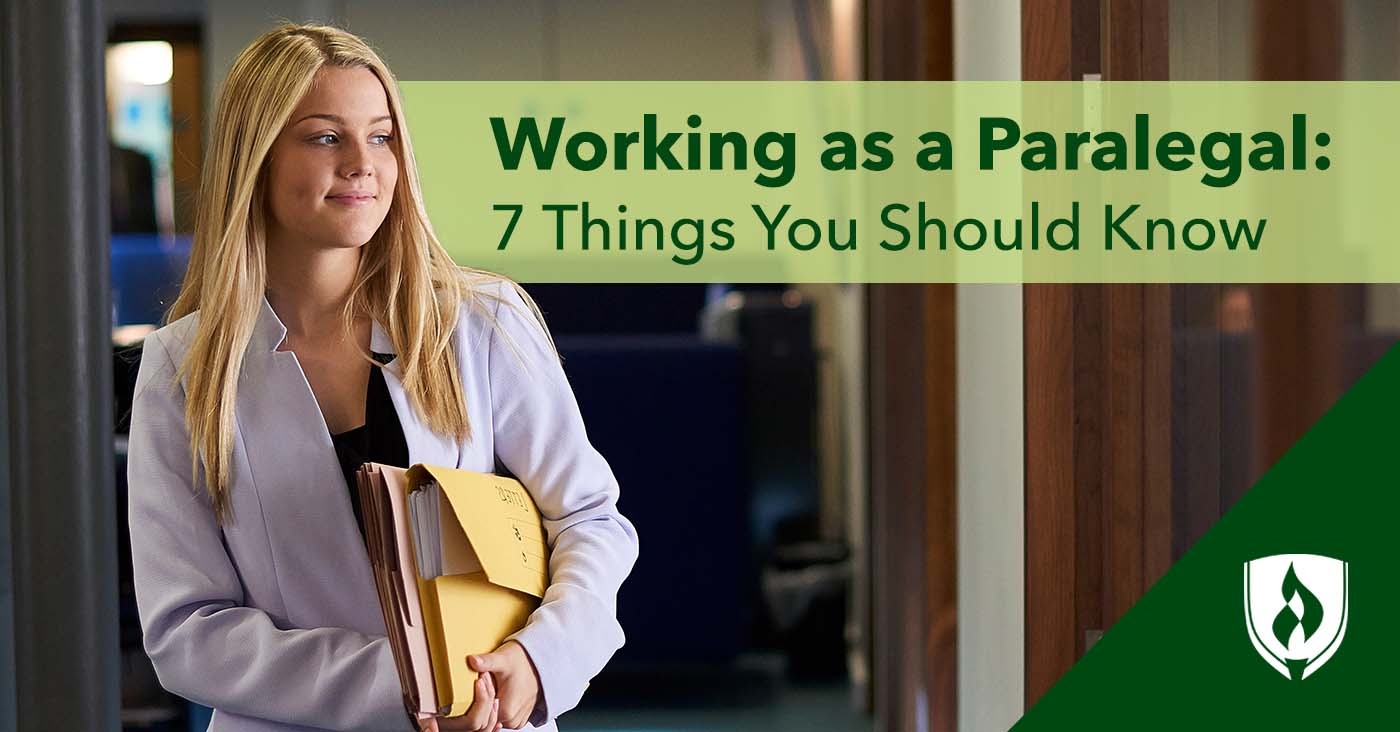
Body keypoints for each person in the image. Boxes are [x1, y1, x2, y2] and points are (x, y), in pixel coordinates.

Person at [126, 23, 638, 732]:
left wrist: (536, 658)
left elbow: (589, 519)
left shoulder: (480, 320)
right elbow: (187, 631)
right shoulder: (185, 370)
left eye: (382, 136)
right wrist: (414, 688)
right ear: (257, 158)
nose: (363, 164)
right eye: (325, 137)